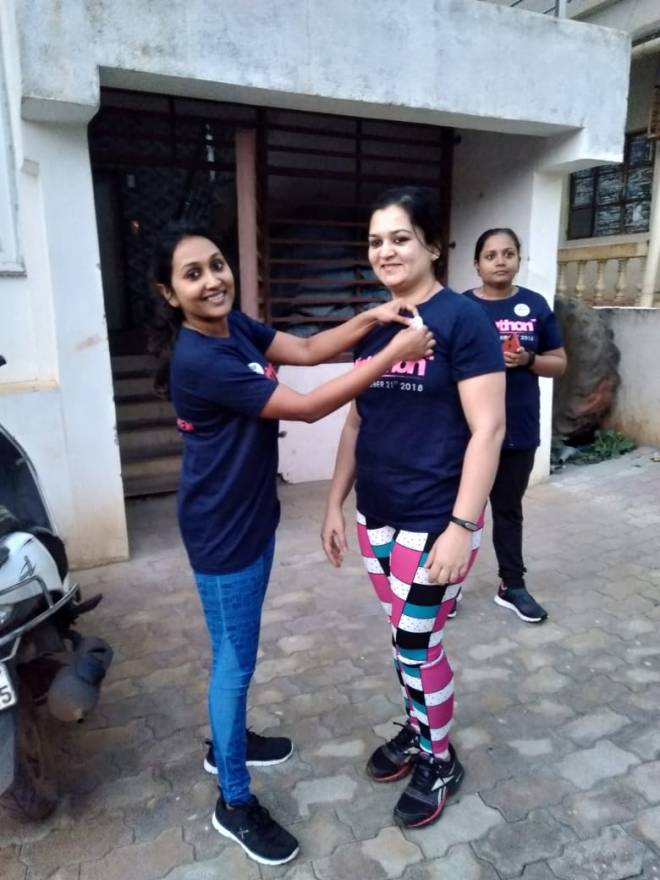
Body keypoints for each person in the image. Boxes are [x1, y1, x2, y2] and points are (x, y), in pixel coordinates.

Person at [148, 220, 434, 867]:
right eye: (192, 274)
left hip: (250, 517)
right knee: (234, 661)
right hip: (223, 532)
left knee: (236, 654)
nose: (213, 280)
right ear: (170, 293)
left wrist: (372, 317)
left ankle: (229, 741)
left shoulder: (232, 328)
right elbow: (305, 406)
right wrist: (394, 351)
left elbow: (304, 349)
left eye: (217, 264)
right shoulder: (202, 358)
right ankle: (233, 800)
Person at [321, 187, 506, 829]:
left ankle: (439, 760)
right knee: (404, 642)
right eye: (376, 241)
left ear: (430, 245)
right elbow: (356, 421)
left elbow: (489, 429)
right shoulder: (377, 324)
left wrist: (461, 526)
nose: (386, 251)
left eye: (400, 238)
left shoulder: (463, 321)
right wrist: (334, 503)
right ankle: (419, 726)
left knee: (416, 643)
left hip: (435, 520)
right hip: (376, 515)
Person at [462, 228, 567, 623]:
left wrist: (528, 360)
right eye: (490, 255)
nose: (500, 261)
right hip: (467, 432)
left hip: (517, 429)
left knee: (508, 511)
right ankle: (446, 585)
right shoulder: (461, 307)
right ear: (477, 264)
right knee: (459, 513)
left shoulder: (535, 305)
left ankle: (512, 585)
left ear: (518, 260)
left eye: (508, 253)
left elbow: (559, 364)